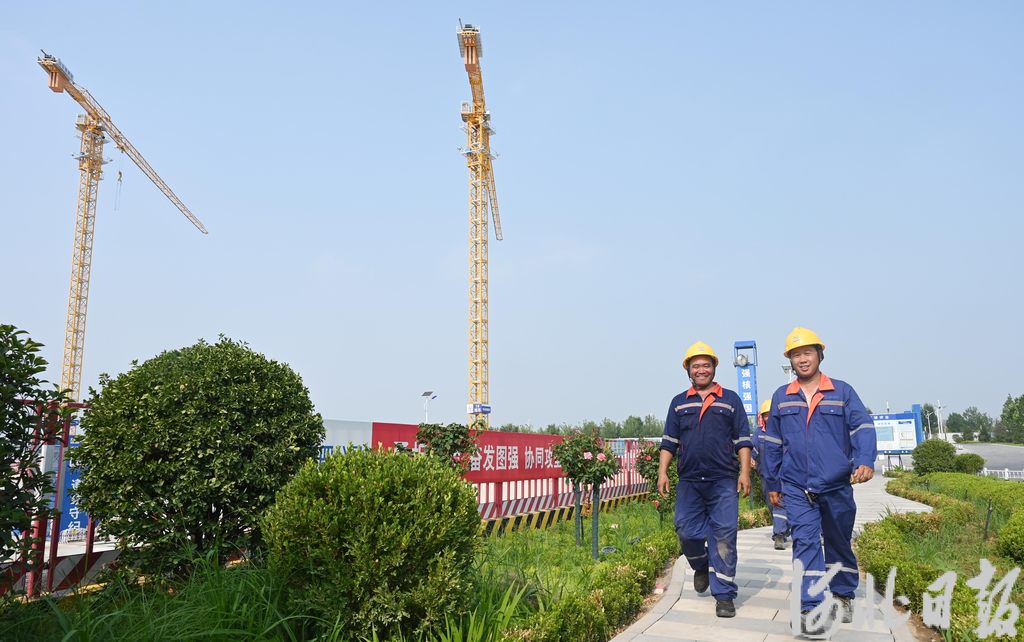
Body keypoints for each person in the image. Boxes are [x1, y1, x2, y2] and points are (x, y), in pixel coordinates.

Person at [759, 327, 877, 636]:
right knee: (806, 542)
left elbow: (862, 427)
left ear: (820, 355)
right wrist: (773, 483)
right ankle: (809, 607)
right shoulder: (782, 397)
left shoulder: (842, 392)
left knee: (838, 541)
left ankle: (843, 592)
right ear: (790, 360)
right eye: (796, 354)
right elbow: (772, 443)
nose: (802, 359)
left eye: (807, 353)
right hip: (797, 484)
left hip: (836, 483)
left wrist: (865, 459)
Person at [658, 341, 752, 619]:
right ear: (688, 370)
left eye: (706, 365)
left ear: (714, 368)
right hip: (689, 481)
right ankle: (700, 564)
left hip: (723, 480)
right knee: (686, 530)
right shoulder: (679, 403)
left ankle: (724, 595)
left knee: (724, 536)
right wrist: (663, 472)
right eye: (696, 366)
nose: (701, 370)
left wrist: (745, 473)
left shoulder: (730, 400)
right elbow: (669, 441)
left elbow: (743, 440)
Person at [751, 399, 790, 550]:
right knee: (771, 504)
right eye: (765, 415)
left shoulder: (784, 431)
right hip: (766, 476)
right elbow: (753, 450)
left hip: (784, 474)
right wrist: (751, 460)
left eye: (770, 414)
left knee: (780, 503)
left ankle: (779, 534)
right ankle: (785, 526)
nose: (768, 418)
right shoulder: (759, 434)